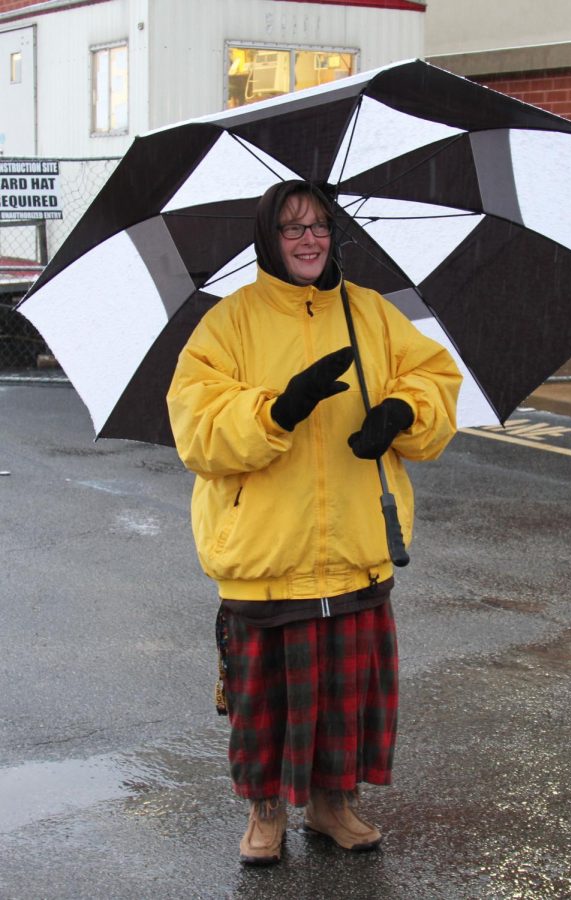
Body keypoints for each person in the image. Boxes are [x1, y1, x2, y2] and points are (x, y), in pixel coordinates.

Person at [167, 179, 462, 865]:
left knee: (344, 695)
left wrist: (402, 414)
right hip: (266, 552)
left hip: (357, 543)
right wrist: (274, 411)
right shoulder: (227, 324)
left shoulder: (371, 315)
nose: (307, 240)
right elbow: (198, 433)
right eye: (291, 228)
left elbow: (433, 384)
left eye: (319, 226)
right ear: (268, 239)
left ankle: (332, 805)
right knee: (264, 700)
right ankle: (265, 811)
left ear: (335, 234)